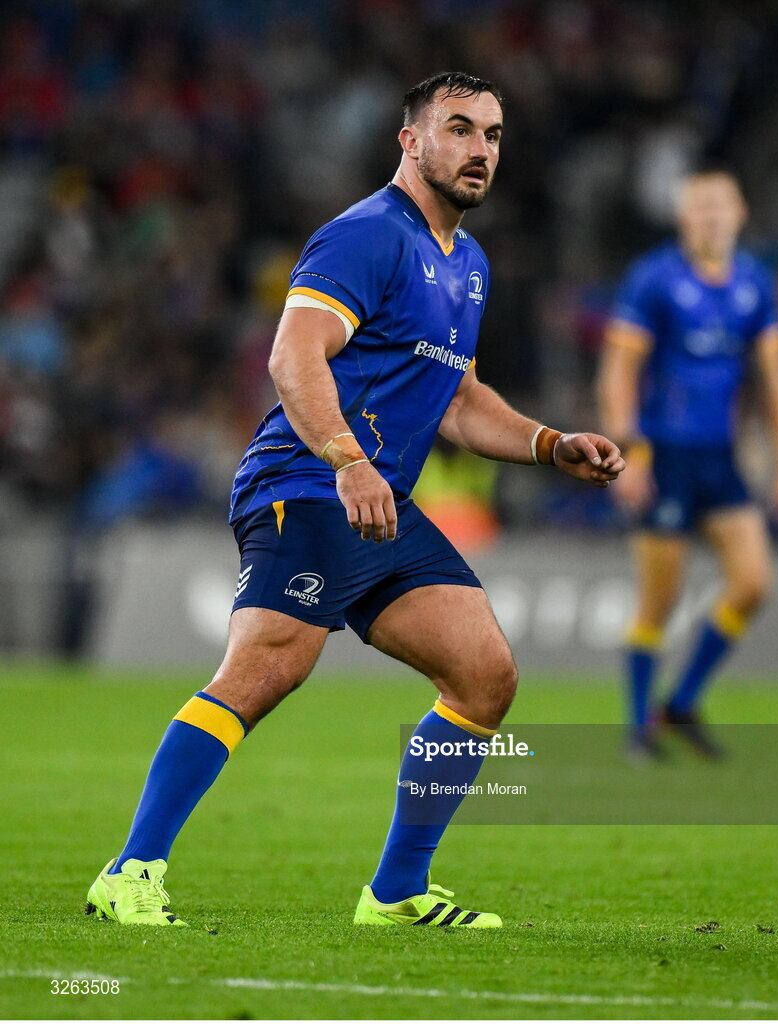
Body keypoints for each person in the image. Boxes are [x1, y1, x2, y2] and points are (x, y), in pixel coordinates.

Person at [85, 72, 625, 929]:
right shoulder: (366, 236)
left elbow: (457, 399)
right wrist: (345, 458)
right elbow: (291, 357)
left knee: (484, 675)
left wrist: (550, 445)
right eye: (458, 129)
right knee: (265, 670)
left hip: (379, 503)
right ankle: (130, 872)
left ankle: (396, 891)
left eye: (491, 134)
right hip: (307, 481)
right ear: (411, 142)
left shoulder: (469, 266)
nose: (480, 150)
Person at [598, 169, 778, 760]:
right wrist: (628, 452)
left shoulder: (755, 283)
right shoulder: (654, 279)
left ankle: (681, 703)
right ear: (682, 218)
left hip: (719, 458)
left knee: (753, 584)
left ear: (740, 213)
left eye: (721, 205)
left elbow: (775, 381)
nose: (711, 215)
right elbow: (619, 372)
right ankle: (639, 729)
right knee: (660, 602)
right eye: (700, 206)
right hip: (662, 456)